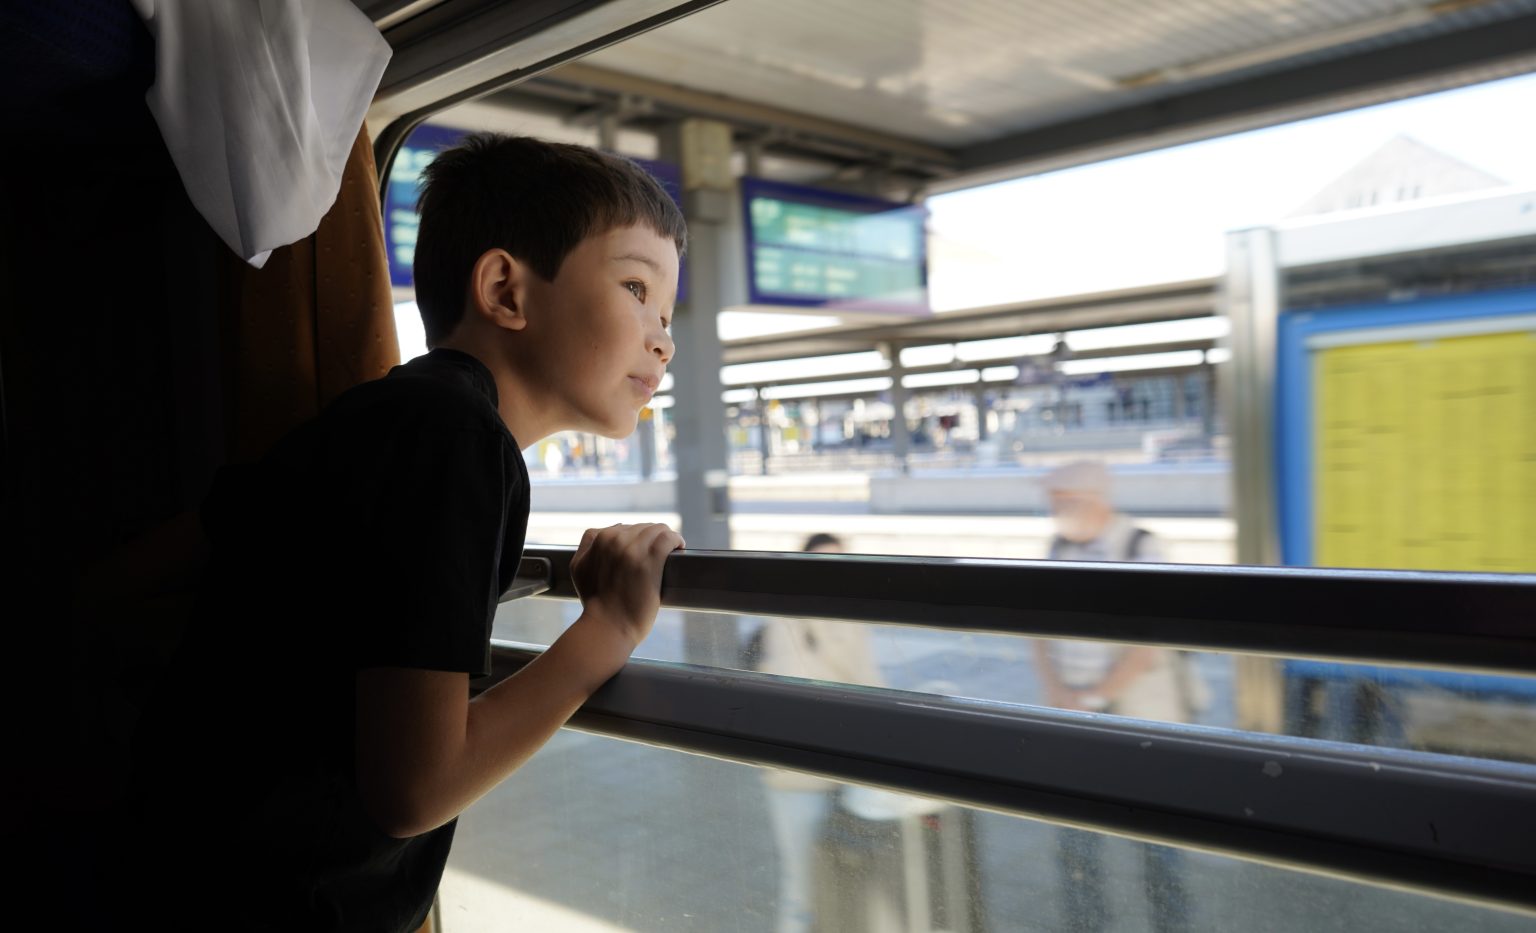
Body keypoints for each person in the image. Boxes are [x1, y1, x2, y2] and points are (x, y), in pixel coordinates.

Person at [121, 133, 687, 932]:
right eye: (636, 286)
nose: (664, 336)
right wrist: (610, 628)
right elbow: (413, 790)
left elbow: (145, 569)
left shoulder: (383, 412)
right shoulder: (459, 441)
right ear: (504, 290)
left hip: (183, 871)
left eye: (665, 313)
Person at [1030, 459, 1199, 933]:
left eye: (1064, 501)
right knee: (1076, 843)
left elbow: (1148, 647)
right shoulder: (1057, 548)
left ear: (1096, 499)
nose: (1056, 511)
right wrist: (1056, 691)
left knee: (1158, 847)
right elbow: (1035, 630)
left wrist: (1093, 696)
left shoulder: (1141, 547)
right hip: (1072, 720)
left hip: (1140, 723)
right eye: (1053, 502)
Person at [757, 533, 884, 933]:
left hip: (845, 771)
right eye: (821, 566)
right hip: (796, 779)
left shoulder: (847, 618)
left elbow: (871, 685)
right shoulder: (787, 617)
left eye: (839, 566)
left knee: (849, 883)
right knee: (803, 888)